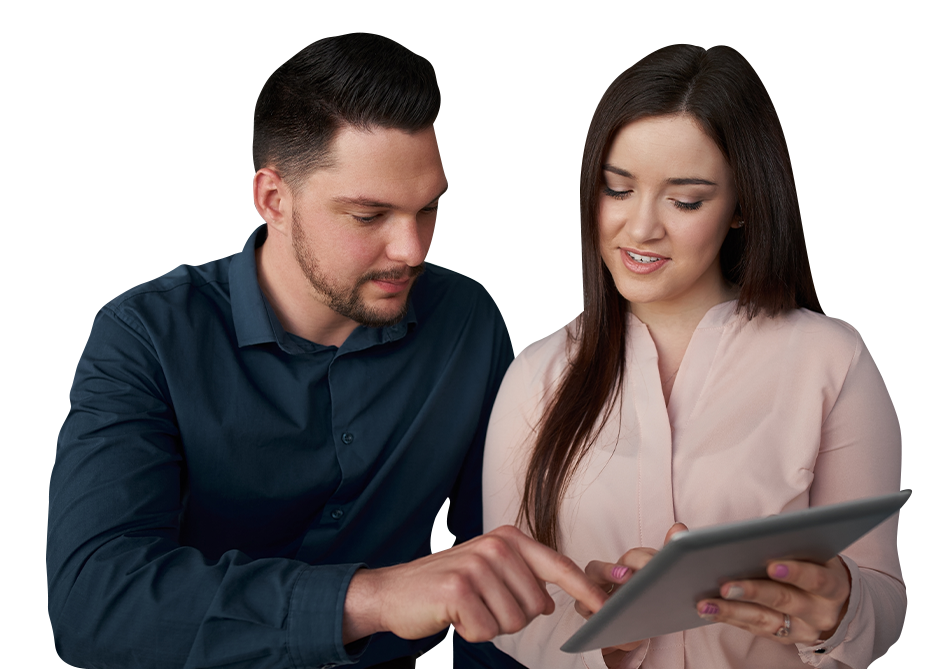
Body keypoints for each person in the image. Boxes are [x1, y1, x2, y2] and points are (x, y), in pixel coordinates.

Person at [47, 33, 607, 669]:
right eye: (368, 216)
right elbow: (92, 603)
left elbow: (497, 557)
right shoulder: (143, 335)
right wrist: (372, 598)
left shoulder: (466, 321)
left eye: (428, 209)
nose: (412, 250)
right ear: (274, 199)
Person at [482, 40, 907, 669]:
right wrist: (601, 633)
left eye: (685, 200)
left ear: (741, 206)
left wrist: (840, 607)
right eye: (616, 190)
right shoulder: (535, 377)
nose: (640, 228)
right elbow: (507, 604)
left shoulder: (830, 361)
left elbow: (885, 604)